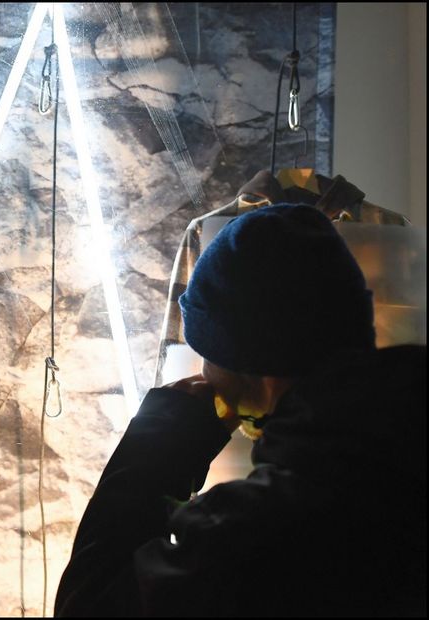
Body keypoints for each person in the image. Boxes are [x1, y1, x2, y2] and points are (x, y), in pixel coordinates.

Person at [55, 204, 426, 617]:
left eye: (206, 353)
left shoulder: (267, 527)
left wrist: (157, 445)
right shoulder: (395, 455)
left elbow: (91, 603)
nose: (203, 372)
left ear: (252, 362)